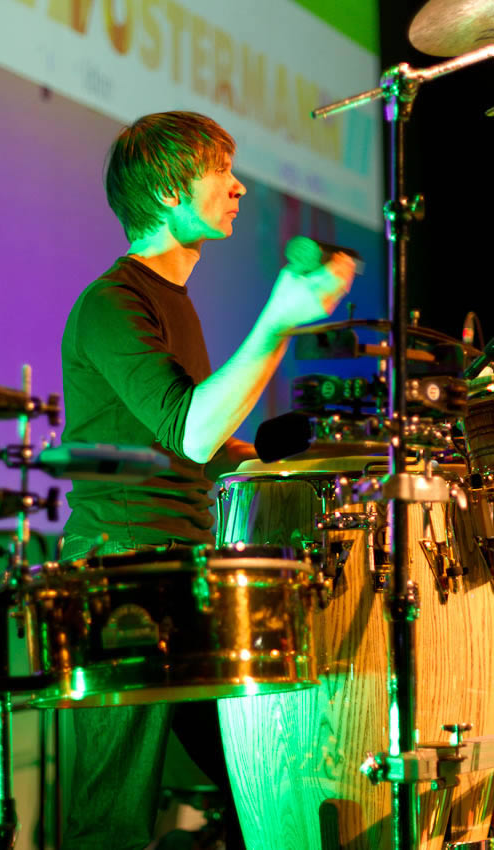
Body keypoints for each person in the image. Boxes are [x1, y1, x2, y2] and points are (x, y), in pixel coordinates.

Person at [60, 110, 355, 850]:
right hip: (122, 573)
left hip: (183, 570)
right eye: (221, 171)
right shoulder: (113, 302)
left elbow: (199, 444)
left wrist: (279, 457)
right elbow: (189, 431)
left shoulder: (171, 300)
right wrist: (277, 323)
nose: (239, 187)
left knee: (260, 788)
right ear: (168, 192)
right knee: (111, 825)